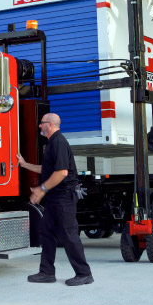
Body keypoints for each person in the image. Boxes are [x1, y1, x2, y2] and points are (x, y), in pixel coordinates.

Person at [16, 113, 93, 286]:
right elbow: (48, 169)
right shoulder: (52, 143)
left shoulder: (58, 142)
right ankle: (47, 272)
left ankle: (84, 273)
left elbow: (62, 173)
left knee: (69, 235)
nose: (39, 126)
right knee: (46, 232)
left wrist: (41, 190)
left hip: (64, 197)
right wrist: (25, 164)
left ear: (50, 125)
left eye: (42, 123)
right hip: (55, 197)